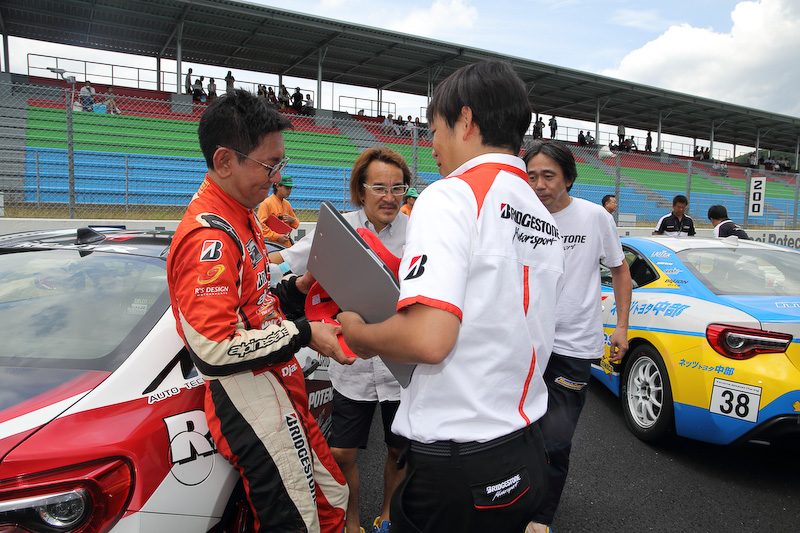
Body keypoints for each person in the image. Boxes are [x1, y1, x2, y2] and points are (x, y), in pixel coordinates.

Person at [337, 60, 565, 533]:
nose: (433, 145)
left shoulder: (452, 195)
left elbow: (430, 339)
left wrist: (359, 335)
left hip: (460, 458)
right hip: (523, 446)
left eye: (434, 127)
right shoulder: (539, 209)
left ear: (465, 121)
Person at [166, 89, 350, 533]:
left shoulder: (240, 214)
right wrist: (307, 333)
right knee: (299, 523)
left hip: (277, 384)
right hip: (247, 398)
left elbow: (254, 305)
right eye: (270, 166)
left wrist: (298, 288)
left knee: (332, 501)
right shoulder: (207, 238)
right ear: (226, 160)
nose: (277, 177)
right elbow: (215, 349)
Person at [270, 147, 412, 533]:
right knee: (341, 452)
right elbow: (285, 263)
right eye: (379, 187)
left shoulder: (419, 234)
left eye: (398, 187)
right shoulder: (337, 229)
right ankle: (351, 523)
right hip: (350, 362)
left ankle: (387, 516)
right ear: (360, 190)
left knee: (400, 450)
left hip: (402, 363)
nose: (389, 196)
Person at [524, 140, 632, 533]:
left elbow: (620, 271)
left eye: (548, 175)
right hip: (523, 345)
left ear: (568, 177)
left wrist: (620, 327)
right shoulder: (519, 216)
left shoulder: (593, 217)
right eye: (531, 175)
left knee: (555, 439)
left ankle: (540, 518)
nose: (538, 184)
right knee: (518, 431)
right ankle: (515, 503)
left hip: (572, 348)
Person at [257, 174, 300, 247]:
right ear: (277, 186)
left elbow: (296, 224)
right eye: (287, 188)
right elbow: (260, 226)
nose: (289, 191)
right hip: (271, 246)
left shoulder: (287, 204)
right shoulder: (266, 203)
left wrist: (292, 219)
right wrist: (277, 237)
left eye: (290, 188)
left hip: (286, 245)